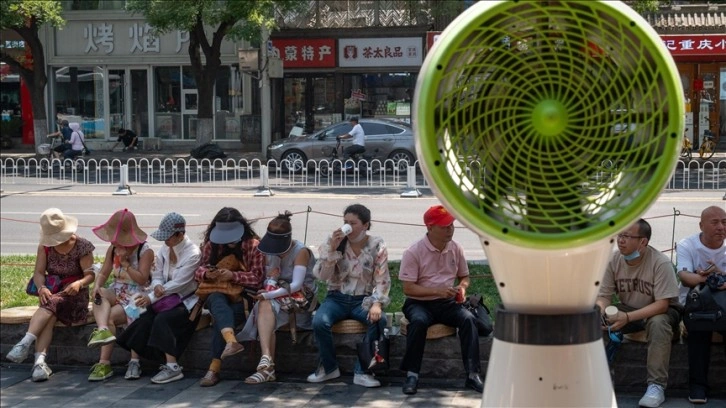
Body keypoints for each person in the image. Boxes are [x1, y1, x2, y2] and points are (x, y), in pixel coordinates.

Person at [596, 218, 681, 408]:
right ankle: (593, 378)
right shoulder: (613, 260)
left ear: (643, 242)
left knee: (658, 323)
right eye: (620, 235)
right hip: (630, 309)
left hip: (662, 312)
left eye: (627, 236)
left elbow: (662, 305)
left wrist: (626, 318)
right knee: (592, 317)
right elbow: (604, 296)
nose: (620, 240)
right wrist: (600, 312)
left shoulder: (660, 263)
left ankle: (656, 386)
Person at [398, 205, 482, 395]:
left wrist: (462, 288)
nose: (450, 230)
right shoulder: (413, 251)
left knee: (468, 319)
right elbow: (408, 288)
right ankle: (412, 374)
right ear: (429, 227)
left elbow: (464, 276)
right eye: (444, 227)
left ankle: (473, 374)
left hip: (447, 302)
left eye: (451, 225)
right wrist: (437, 290)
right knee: (418, 321)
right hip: (418, 302)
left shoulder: (456, 248)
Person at [5, 208, 96, 382]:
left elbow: (90, 275)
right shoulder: (45, 247)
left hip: (75, 296)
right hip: (53, 293)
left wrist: (79, 283)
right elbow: (39, 272)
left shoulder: (82, 246)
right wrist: (41, 288)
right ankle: (39, 363)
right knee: (50, 311)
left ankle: (25, 342)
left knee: (51, 305)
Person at [307, 203, 390, 388]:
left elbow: (382, 278)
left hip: (364, 299)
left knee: (378, 320)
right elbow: (321, 276)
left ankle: (363, 371)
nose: (348, 227)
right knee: (320, 321)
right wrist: (332, 250)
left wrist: (377, 303)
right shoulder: (334, 241)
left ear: (366, 225)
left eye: (353, 223)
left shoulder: (376, 244)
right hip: (337, 297)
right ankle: (328, 368)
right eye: (345, 222)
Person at [116, 212, 202, 384]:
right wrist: (156, 285)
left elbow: (179, 283)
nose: (165, 241)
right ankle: (135, 361)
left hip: (185, 303)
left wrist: (152, 296)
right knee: (143, 316)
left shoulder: (193, 253)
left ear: (180, 234)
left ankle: (173, 366)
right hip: (163, 299)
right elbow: (157, 274)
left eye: (168, 237)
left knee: (163, 320)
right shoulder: (165, 249)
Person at [237, 211, 317, 384]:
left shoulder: (300, 251)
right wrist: (271, 281)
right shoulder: (270, 251)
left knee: (265, 305)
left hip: (299, 301)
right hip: (276, 300)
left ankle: (267, 367)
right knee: (266, 306)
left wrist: (269, 293)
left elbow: (296, 285)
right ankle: (266, 361)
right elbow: (269, 278)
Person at [194, 207, 265, 387]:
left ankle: (214, 368)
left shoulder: (253, 246)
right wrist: (208, 274)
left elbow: (258, 278)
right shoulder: (212, 245)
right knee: (216, 297)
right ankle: (230, 343)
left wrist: (233, 276)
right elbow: (199, 270)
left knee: (221, 318)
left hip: (243, 297)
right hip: (217, 293)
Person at [86, 208, 153, 382]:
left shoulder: (145, 252)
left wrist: (126, 264)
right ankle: (102, 333)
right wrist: (97, 285)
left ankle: (127, 361)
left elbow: (142, 279)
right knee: (100, 295)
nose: (119, 245)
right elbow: (104, 272)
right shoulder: (113, 249)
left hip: (135, 294)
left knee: (114, 317)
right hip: (117, 290)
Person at [676, 205, 726, 404]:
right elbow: (684, 276)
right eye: (715, 222)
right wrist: (706, 279)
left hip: (723, 305)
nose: (721, 227)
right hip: (695, 305)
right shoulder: (687, 244)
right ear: (701, 225)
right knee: (698, 331)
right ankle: (698, 387)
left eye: (724, 222)